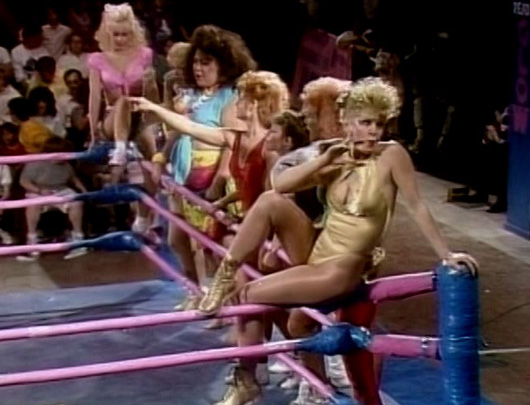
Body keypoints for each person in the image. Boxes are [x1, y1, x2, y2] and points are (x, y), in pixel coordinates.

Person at [150, 77, 478, 405]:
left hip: (341, 268)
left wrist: (446, 254)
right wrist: (324, 161)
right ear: (347, 122)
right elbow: (280, 185)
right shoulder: (333, 153)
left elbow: (418, 206)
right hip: (314, 250)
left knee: (249, 296)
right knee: (269, 203)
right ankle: (226, 277)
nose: (373, 132)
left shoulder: (391, 155)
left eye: (379, 124)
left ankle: (249, 377)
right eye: (365, 123)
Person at [149, 25, 257, 306]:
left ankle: (226, 304)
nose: (198, 68)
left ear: (224, 64)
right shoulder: (194, 95)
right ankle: (195, 292)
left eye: (206, 62)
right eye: (196, 62)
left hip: (210, 182)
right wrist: (161, 157)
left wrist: (219, 181)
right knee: (177, 239)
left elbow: (231, 143)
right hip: (183, 177)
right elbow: (178, 128)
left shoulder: (231, 98)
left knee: (214, 247)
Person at [88, 2, 159, 165]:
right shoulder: (97, 59)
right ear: (108, 34)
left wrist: (154, 122)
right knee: (123, 101)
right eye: (116, 34)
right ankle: (120, 149)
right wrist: (93, 134)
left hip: (139, 115)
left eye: (124, 34)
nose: (120, 39)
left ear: (132, 34)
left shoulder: (145, 55)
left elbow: (152, 95)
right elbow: (94, 98)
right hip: (111, 119)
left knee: (154, 155)